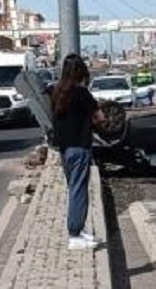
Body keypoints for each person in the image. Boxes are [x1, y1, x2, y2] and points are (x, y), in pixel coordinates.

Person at [51, 55, 107, 251]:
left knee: (74, 189)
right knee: (79, 191)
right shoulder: (82, 94)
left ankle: (79, 230)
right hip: (81, 148)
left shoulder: (57, 92)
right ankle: (74, 235)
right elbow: (100, 118)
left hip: (65, 150)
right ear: (81, 72)